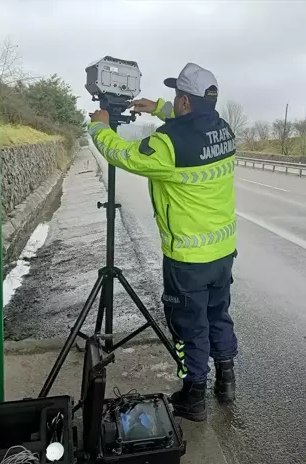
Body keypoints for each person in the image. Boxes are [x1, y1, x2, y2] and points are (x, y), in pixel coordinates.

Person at [87, 62, 238, 422]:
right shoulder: (224, 130)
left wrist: (99, 126)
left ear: (185, 101)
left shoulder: (168, 144)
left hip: (188, 258)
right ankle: (226, 382)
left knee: (190, 327)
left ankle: (194, 396)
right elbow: (190, 122)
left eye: (176, 97)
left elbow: (122, 154)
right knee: (218, 315)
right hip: (222, 252)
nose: (174, 101)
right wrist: (156, 107)